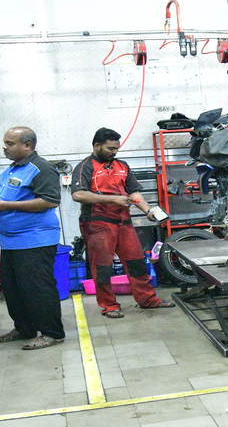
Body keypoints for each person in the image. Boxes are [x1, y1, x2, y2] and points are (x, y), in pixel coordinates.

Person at [0, 126, 65, 350]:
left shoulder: (41, 168)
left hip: (35, 239)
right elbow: (8, 196)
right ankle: (24, 328)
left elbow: (49, 201)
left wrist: (6, 205)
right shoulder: (12, 169)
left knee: (37, 287)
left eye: (10, 144)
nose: (5, 148)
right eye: (5, 143)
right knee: (13, 288)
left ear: (27, 145)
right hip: (11, 241)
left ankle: (52, 333)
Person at [71, 128, 173, 318]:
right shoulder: (85, 166)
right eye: (110, 148)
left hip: (124, 222)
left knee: (136, 263)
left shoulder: (122, 166)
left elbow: (134, 192)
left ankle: (148, 300)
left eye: (116, 148)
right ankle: (109, 305)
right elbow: (78, 194)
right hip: (97, 224)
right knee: (102, 267)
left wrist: (148, 210)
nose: (114, 152)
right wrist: (113, 199)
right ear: (96, 146)